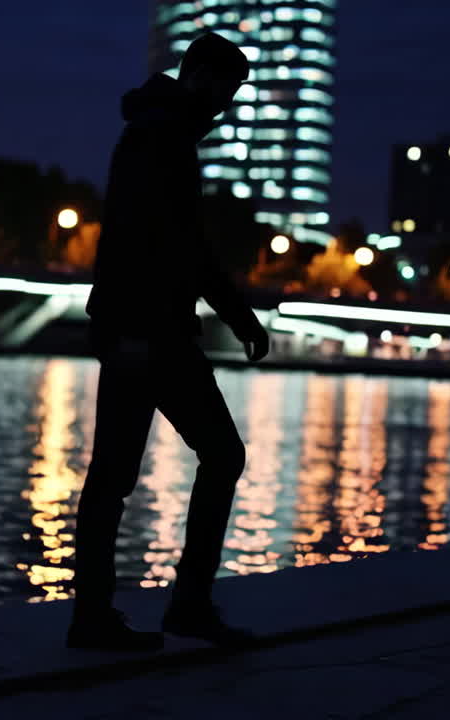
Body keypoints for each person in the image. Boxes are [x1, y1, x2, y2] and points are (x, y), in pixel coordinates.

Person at [67, 33, 269, 652]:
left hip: (140, 328)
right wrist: (238, 316)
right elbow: (170, 246)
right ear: (202, 77)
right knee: (217, 457)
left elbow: (168, 244)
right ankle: (183, 606)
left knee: (113, 476)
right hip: (150, 331)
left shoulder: (159, 131)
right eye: (227, 89)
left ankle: (97, 614)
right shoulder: (163, 138)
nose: (228, 104)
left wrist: (232, 315)